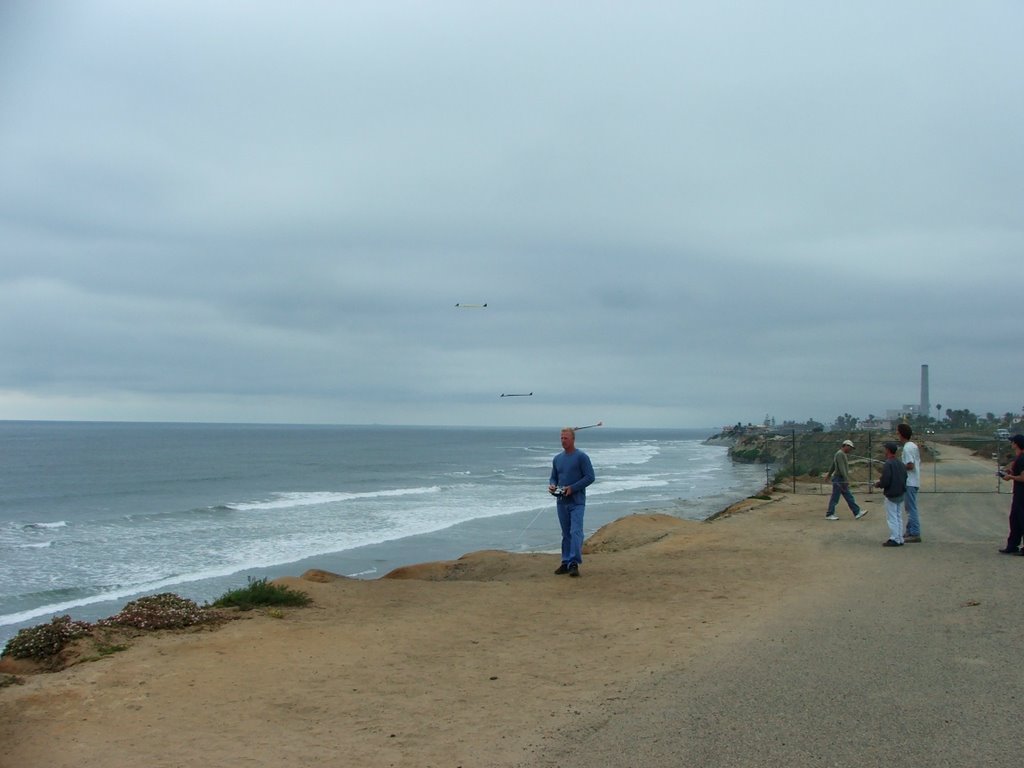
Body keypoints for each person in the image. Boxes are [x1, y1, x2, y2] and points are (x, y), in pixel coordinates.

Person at [548, 427, 595, 578]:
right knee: (565, 533)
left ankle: (574, 563)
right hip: (561, 501)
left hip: (577, 501)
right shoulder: (557, 459)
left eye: (566, 438)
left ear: (573, 439)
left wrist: (573, 488)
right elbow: (554, 476)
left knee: (575, 531)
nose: (563, 441)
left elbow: (590, 477)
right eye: (561, 438)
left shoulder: (581, 457)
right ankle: (565, 562)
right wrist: (552, 485)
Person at [875, 441, 908, 547]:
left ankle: (894, 538)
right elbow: (905, 476)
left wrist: (879, 484)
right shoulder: (900, 463)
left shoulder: (888, 463)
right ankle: (900, 538)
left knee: (892, 517)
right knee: (898, 516)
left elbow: (886, 480)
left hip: (892, 494)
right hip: (900, 493)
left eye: (885, 449)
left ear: (888, 450)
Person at [825, 439, 867, 521]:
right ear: (846, 446)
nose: (851, 450)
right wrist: (846, 479)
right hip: (839, 479)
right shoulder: (840, 454)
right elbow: (841, 468)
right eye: (850, 448)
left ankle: (857, 512)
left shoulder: (839, 454)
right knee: (835, 497)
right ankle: (829, 514)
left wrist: (829, 475)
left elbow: (833, 465)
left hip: (840, 478)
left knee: (848, 496)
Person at [998, 434, 1024, 554]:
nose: (1011, 444)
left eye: (1012, 442)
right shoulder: (1019, 458)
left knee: (1021, 519)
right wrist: (1011, 472)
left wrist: (1010, 477)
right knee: (1014, 519)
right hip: (1018, 493)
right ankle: (1012, 545)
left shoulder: (1023, 458)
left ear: (1017, 444)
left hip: (1022, 494)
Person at [897, 424, 922, 542]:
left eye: (898, 433)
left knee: (911, 508)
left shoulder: (907, 448)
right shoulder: (912, 446)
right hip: (914, 481)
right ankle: (910, 530)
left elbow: (910, 465)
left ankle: (915, 533)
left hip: (910, 482)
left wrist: (899, 467)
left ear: (902, 434)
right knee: (909, 507)